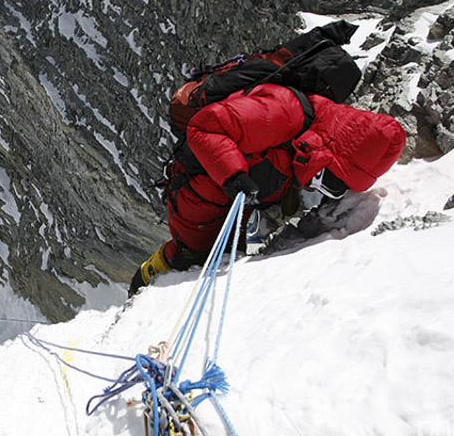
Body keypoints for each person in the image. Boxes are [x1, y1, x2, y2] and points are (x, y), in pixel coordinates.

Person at [129, 83, 405, 295]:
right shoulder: (283, 112)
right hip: (199, 195)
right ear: (329, 153)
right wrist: (233, 174)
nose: (318, 186)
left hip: (235, 200)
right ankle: (141, 282)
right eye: (330, 183)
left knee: (224, 253)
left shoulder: (313, 139)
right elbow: (205, 126)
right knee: (189, 257)